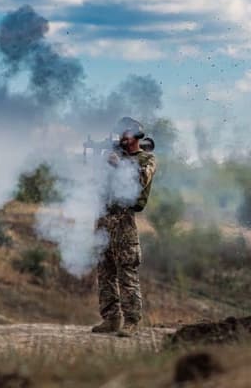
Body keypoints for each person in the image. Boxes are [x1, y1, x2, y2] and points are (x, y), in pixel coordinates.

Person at [91, 117, 157, 337]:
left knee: (126, 271)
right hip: (103, 219)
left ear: (136, 135)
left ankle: (131, 321)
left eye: (125, 134)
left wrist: (119, 165)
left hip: (124, 221)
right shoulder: (113, 156)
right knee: (104, 271)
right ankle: (110, 318)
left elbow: (140, 180)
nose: (121, 138)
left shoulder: (146, 159)